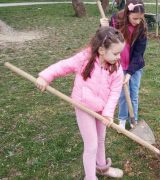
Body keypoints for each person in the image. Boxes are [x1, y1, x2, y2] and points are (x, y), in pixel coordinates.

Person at [35, 26, 125, 179]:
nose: (119, 57)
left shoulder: (116, 68)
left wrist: (108, 114)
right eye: (116, 53)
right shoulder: (85, 58)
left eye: (120, 53)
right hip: (83, 106)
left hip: (102, 109)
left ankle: (102, 168)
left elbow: (115, 93)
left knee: (101, 139)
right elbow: (64, 66)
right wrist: (45, 77)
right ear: (102, 50)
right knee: (91, 145)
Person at [100, 0, 147, 129]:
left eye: (140, 18)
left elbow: (139, 53)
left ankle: (133, 121)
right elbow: (105, 39)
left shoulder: (141, 27)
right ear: (127, 13)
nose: (138, 21)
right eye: (135, 18)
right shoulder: (116, 20)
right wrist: (103, 26)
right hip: (119, 64)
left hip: (134, 66)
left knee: (133, 93)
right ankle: (122, 119)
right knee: (121, 94)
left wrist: (131, 72)